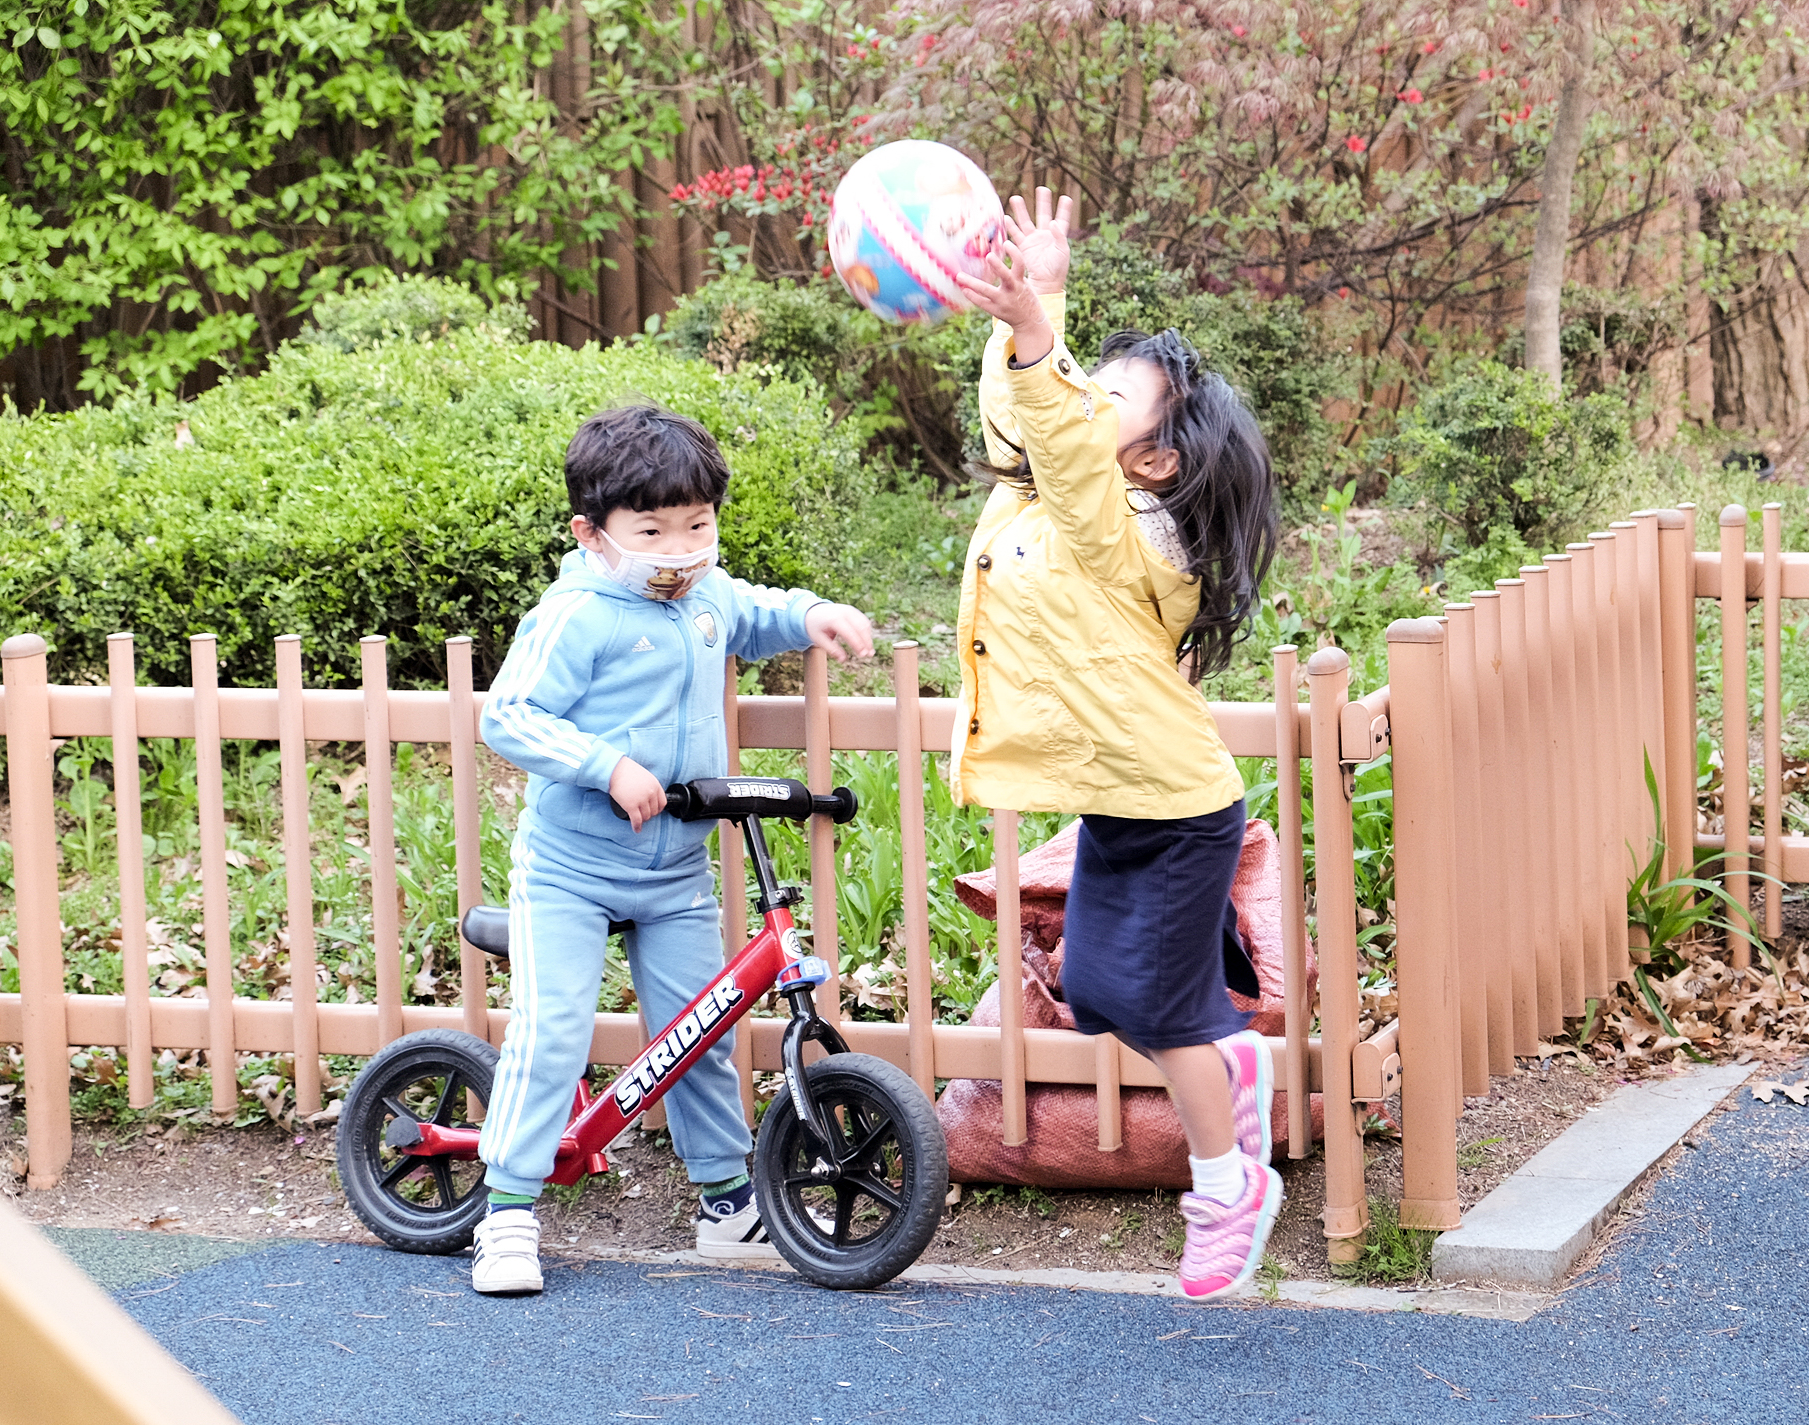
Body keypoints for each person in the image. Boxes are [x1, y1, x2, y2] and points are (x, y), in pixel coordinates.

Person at [951, 190, 1283, 1301]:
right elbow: (1026, 423)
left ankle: (1229, 1182)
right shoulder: (1053, 498)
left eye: (1107, 398)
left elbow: (1062, 439)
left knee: (1163, 1009)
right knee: (1096, 989)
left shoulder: (1130, 532)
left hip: (1178, 812)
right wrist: (1034, 306)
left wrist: (1037, 333)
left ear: (1154, 464)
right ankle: (1229, 1061)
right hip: (1126, 801)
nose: (1075, 399)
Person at [470, 402, 875, 1295]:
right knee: (553, 1033)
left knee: (702, 1033)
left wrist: (813, 614)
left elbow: (755, 612)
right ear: (592, 533)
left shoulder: (705, 595)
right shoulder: (577, 614)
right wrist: (605, 764)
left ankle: (727, 1202)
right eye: (652, 532)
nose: (681, 550)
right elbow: (508, 715)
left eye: (698, 525)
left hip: (675, 870)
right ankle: (506, 1212)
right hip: (572, 868)